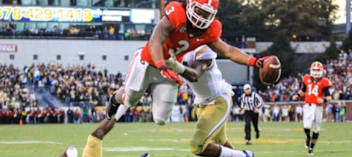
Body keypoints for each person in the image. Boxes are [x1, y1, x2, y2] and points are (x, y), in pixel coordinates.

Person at [106, 0, 273, 126]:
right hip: (149, 60)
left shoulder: (210, 30)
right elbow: (155, 41)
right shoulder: (176, 13)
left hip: (171, 67)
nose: (201, 18)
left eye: (207, 14)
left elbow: (228, 51)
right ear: (190, 5)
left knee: (161, 119)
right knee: (130, 100)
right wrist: (160, 64)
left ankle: (153, 93)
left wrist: (255, 61)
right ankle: (115, 98)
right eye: (199, 11)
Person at [166, 46, 256, 157]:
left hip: (218, 100)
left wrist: (174, 65)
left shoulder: (202, 48)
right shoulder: (176, 48)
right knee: (221, 142)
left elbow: (195, 75)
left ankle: (244, 156)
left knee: (198, 146)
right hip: (202, 102)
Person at [293, 61, 332, 155]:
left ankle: (311, 148)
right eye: (314, 70)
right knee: (306, 126)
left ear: (322, 71)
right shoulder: (306, 79)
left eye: (318, 70)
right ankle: (308, 137)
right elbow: (303, 90)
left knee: (316, 129)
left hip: (318, 107)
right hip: (308, 106)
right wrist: (297, 95)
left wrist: (323, 100)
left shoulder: (324, 81)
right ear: (311, 70)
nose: (316, 72)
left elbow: (329, 97)